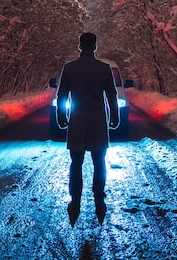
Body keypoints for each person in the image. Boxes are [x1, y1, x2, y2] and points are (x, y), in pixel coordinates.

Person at [55, 32, 119, 224]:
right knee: (99, 163)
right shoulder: (104, 69)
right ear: (96, 46)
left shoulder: (70, 68)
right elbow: (111, 96)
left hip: (77, 121)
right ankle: (99, 203)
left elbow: (62, 96)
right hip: (98, 120)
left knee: (76, 164)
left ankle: (75, 204)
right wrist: (114, 118)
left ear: (79, 46)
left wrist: (61, 117)